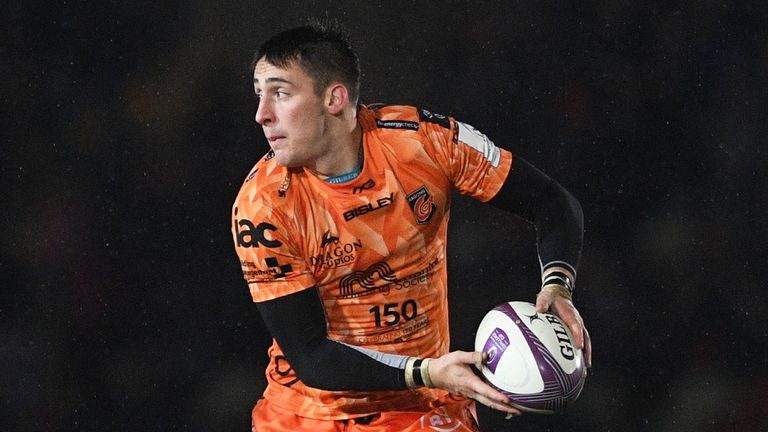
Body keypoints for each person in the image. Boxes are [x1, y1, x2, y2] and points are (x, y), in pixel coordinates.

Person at [231, 19, 591, 432]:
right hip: (303, 414)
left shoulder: (425, 142)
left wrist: (557, 284)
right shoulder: (263, 206)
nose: (261, 114)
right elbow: (312, 356)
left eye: (280, 93)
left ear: (334, 98)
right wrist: (428, 370)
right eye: (260, 95)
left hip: (418, 408)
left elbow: (550, 201)